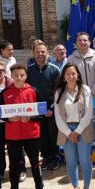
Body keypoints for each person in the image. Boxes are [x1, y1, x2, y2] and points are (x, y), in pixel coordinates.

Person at [0, 64, 53, 189]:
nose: (19, 77)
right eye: (16, 75)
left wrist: (31, 117)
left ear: (26, 76)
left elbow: (41, 111)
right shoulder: (5, 93)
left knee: (34, 162)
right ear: (11, 76)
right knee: (14, 165)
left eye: (21, 75)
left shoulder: (33, 91)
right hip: (13, 135)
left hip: (31, 134)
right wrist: (9, 119)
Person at [53, 63, 95, 189]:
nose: (71, 76)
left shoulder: (85, 90)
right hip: (66, 130)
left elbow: (88, 114)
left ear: (78, 75)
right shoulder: (59, 92)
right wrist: (68, 132)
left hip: (83, 128)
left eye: (73, 73)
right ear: (64, 77)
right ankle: (75, 188)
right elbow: (58, 116)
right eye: (67, 74)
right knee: (70, 162)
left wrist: (76, 132)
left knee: (84, 161)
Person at [27, 40, 61, 170]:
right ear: (33, 53)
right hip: (36, 110)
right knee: (41, 135)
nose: (40, 54)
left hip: (51, 110)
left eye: (43, 51)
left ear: (47, 53)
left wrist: (50, 108)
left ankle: (55, 158)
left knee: (53, 134)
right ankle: (46, 157)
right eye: (38, 52)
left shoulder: (54, 69)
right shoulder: (29, 70)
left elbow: (58, 91)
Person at [0, 60, 23, 181]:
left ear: (4, 71)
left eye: (0, 71)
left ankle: (20, 170)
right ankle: (0, 171)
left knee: (17, 147)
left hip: (11, 121)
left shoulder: (12, 83)